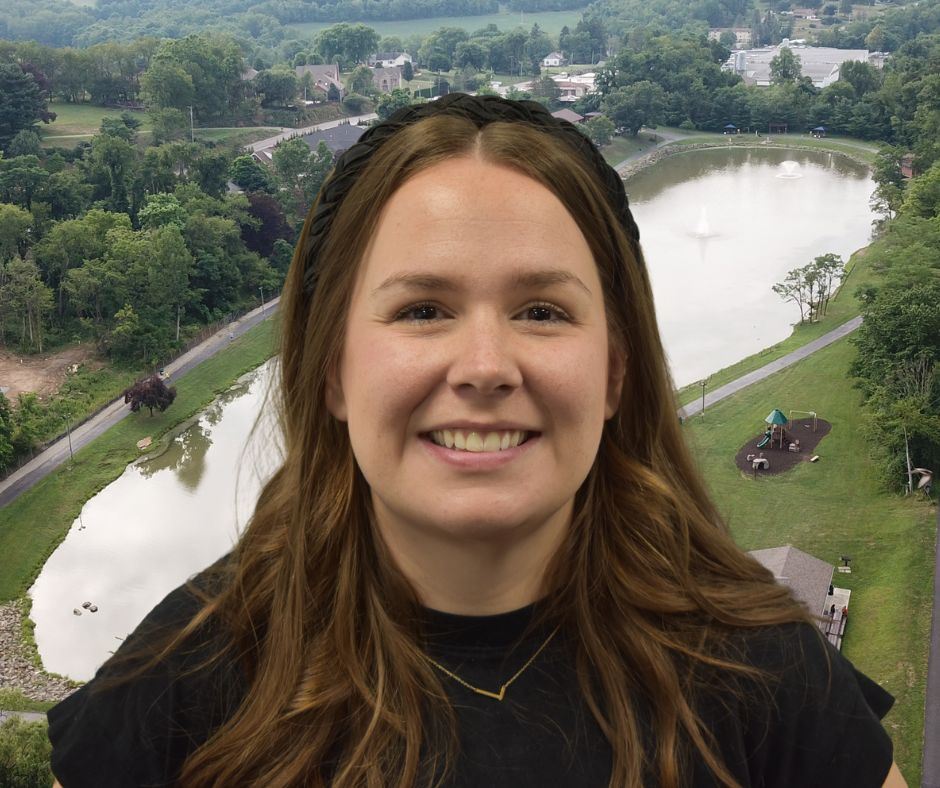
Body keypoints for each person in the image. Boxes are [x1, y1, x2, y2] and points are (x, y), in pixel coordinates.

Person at [46, 94, 907, 788]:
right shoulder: (185, 678)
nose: (487, 366)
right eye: (423, 309)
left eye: (543, 310)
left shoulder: (752, 663)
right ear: (333, 370)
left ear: (614, 372)